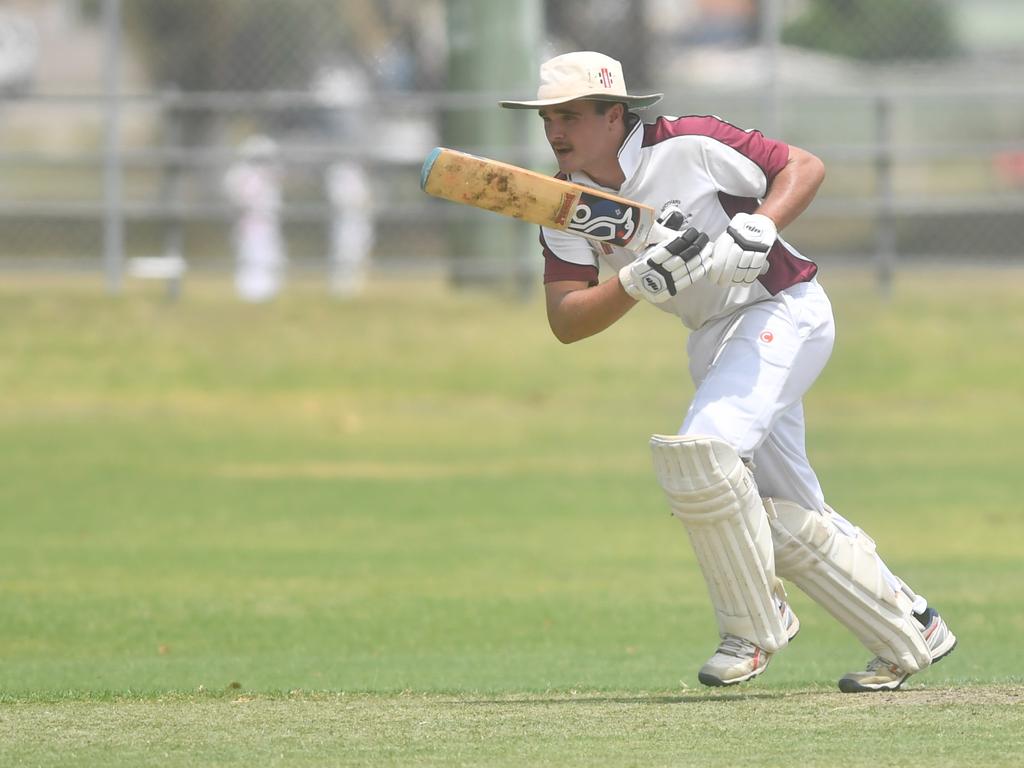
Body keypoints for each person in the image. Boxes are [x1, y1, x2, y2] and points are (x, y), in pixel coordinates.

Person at [499, 51, 956, 692]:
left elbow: (805, 165)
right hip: (712, 338)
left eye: (570, 115)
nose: (555, 131)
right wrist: (634, 280)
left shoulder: (688, 143)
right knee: (792, 515)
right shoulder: (567, 204)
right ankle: (912, 627)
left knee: (704, 458)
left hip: (781, 309)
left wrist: (761, 228)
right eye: (548, 117)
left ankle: (753, 625)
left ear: (613, 114)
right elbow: (567, 319)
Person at [223, 135, 287, 302]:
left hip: (266, 222)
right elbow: (239, 197)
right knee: (250, 254)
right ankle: (252, 291)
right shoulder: (242, 174)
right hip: (249, 223)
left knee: (269, 254)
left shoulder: (266, 174)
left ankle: (266, 290)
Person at [325, 160, 375, 298]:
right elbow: (342, 200)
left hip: (360, 223)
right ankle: (341, 288)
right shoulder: (340, 173)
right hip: (346, 223)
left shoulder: (359, 174)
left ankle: (354, 287)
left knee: (358, 254)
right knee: (343, 253)